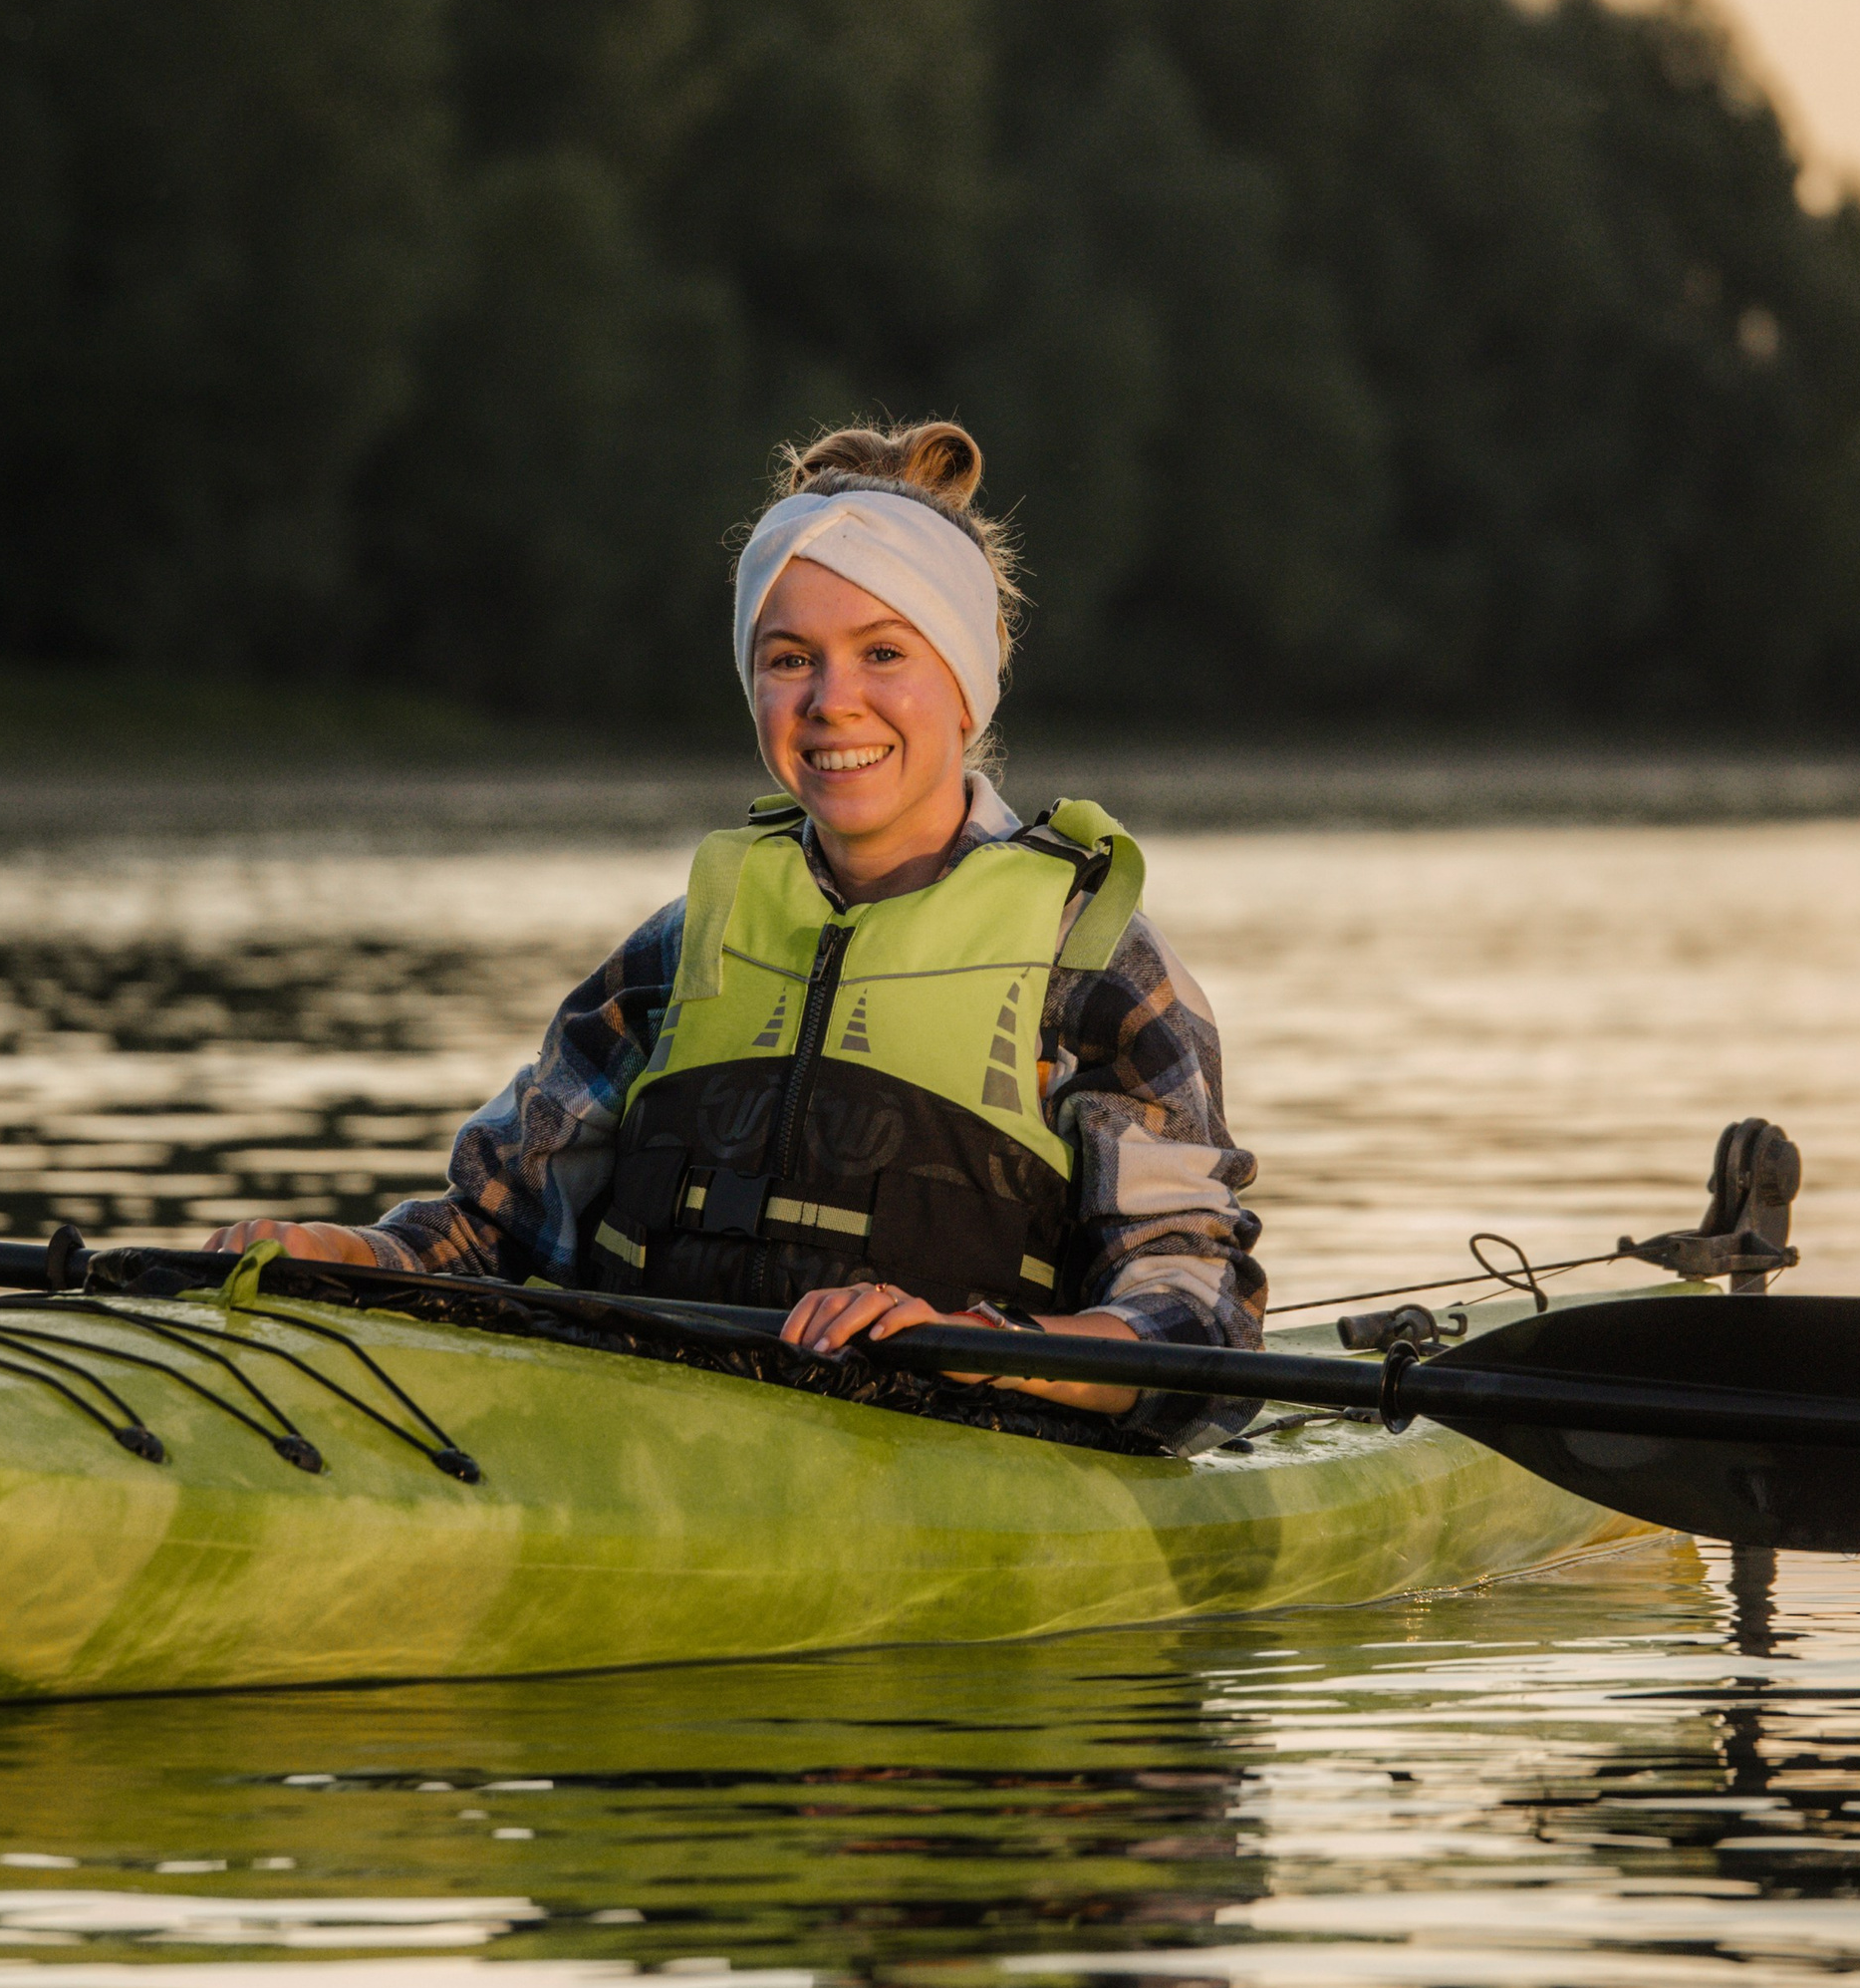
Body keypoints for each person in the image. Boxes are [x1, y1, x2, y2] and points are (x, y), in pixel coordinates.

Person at [208, 422, 1265, 1441]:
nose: (832, 701)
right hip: (659, 1448)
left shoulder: (1097, 971)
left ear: (965, 682)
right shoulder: (677, 950)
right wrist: (342, 1254)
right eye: (789, 658)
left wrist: (980, 1344)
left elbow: (1195, 1326)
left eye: (883, 651)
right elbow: (497, 1232)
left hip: (973, 1458)